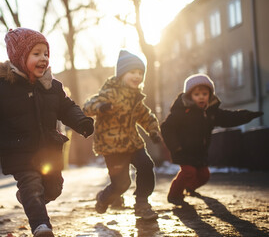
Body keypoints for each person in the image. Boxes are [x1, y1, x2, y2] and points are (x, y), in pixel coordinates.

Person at [0, 27, 94, 237]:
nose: (43, 58)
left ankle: (28, 198)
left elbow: (67, 107)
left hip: (48, 151)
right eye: (36, 54)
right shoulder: (2, 88)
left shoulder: (52, 86)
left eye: (46, 53)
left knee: (53, 189)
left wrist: (82, 122)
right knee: (32, 186)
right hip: (19, 151)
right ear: (19, 57)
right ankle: (41, 226)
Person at [161, 74, 264, 205]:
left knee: (204, 176)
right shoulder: (182, 112)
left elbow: (228, 117)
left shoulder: (211, 112)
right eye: (197, 94)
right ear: (189, 96)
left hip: (200, 152)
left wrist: (246, 116)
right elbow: (166, 128)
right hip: (183, 150)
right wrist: (175, 146)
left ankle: (189, 188)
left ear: (209, 95)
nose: (201, 97)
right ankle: (174, 195)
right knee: (188, 172)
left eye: (204, 94)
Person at [83, 50, 161, 220]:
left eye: (140, 73)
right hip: (112, 146)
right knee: (121, 184)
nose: (137, 76)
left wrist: (153, 130)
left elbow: (145, 116)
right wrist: (100, 107)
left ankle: (142, 203)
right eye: (132, 72)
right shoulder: (110, 92)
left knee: (146, 165)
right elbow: (88, 106)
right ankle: (103, 198)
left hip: (133, 143)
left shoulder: (136, 97)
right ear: (122, 74)